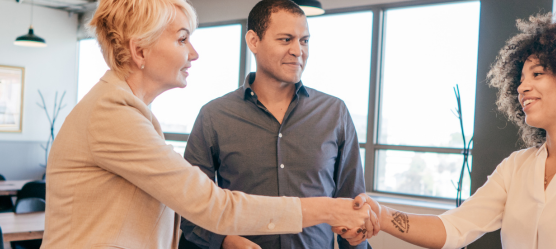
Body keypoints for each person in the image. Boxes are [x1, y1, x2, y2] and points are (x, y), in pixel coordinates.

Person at [41, 0, 377, 247]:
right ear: (140, 52)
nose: (194, 53)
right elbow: (209, 205)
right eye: (182, 39)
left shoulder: (128, 111)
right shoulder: (112, 114)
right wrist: (326, 210)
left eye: (304, 41)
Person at [337, 12, 556, 249]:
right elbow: (453, 228)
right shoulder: (516, 167)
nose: (523, 87)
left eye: (537, 74)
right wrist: (379, 213)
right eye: (520, 78)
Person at [179, 1, 372, 249]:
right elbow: (191, 211)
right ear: (253, 41)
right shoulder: (214, 116)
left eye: (304, 41)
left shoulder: (335, 113)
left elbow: (353, 209)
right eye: (285, 39)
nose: (298, 51)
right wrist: (225, 240)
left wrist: (358, 234)